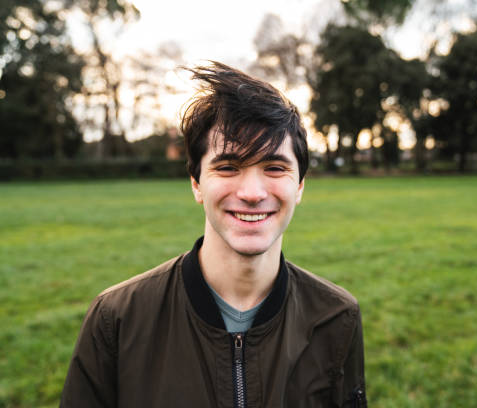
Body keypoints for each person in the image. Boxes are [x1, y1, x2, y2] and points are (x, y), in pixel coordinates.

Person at [60, 62, 367, 407]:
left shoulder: (337, 318)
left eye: (275, 168)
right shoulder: (115, 320)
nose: (252, 192)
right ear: (196, 183)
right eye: (228, 167)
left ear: (299, 186)